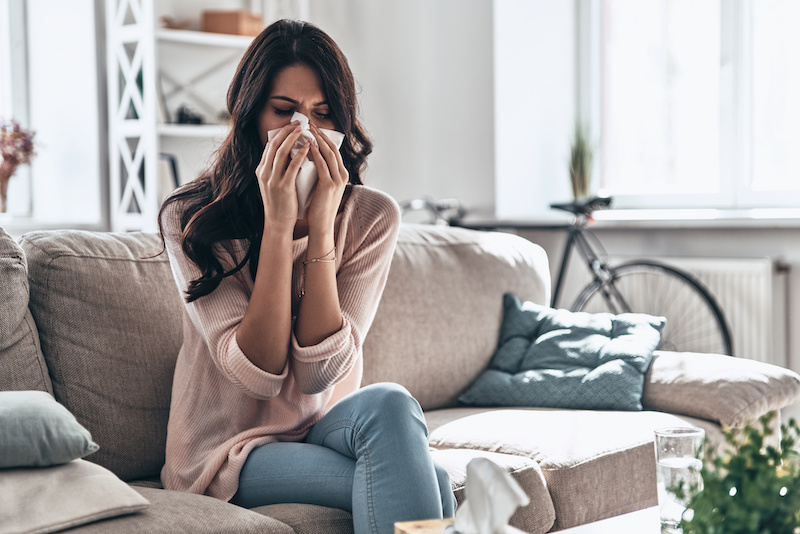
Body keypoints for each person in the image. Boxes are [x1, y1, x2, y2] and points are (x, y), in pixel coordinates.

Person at [157, 18, 456, 534]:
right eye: (284, 112)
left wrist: (320, 227)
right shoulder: (192, 217)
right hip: (226, 450)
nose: (304, 133)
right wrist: (278, 225)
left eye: (322, 115)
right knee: (432, 485)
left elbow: (321, 375)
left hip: (318, 428)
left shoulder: (370, 217)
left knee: (392, 403)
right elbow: (257, 371)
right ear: (249, 114)